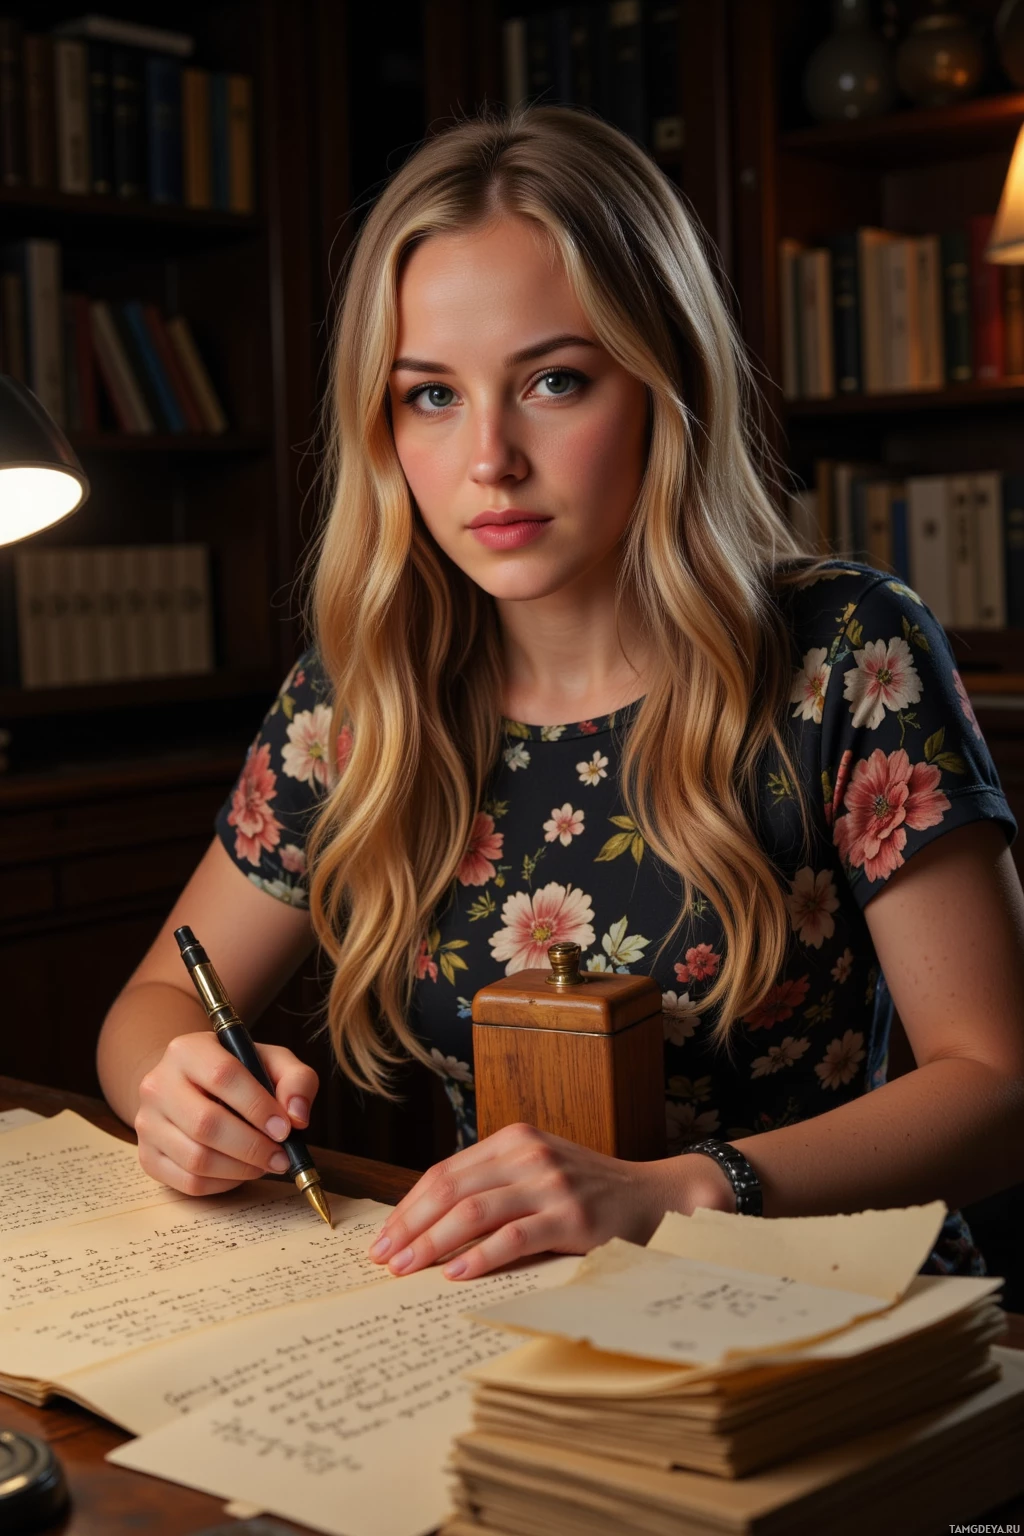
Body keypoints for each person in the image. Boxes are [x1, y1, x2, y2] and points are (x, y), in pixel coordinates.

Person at [97, 107, 1024, 1286]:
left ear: (660, 382)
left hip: (840, 1314)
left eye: (551, 379)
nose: (489, 457)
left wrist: (674, 1195)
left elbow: (996, 1089)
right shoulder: (364, 691)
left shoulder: (844, 649)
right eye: (429, 395)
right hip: (511, 1325)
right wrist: (174, 1090)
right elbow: (156, 999)